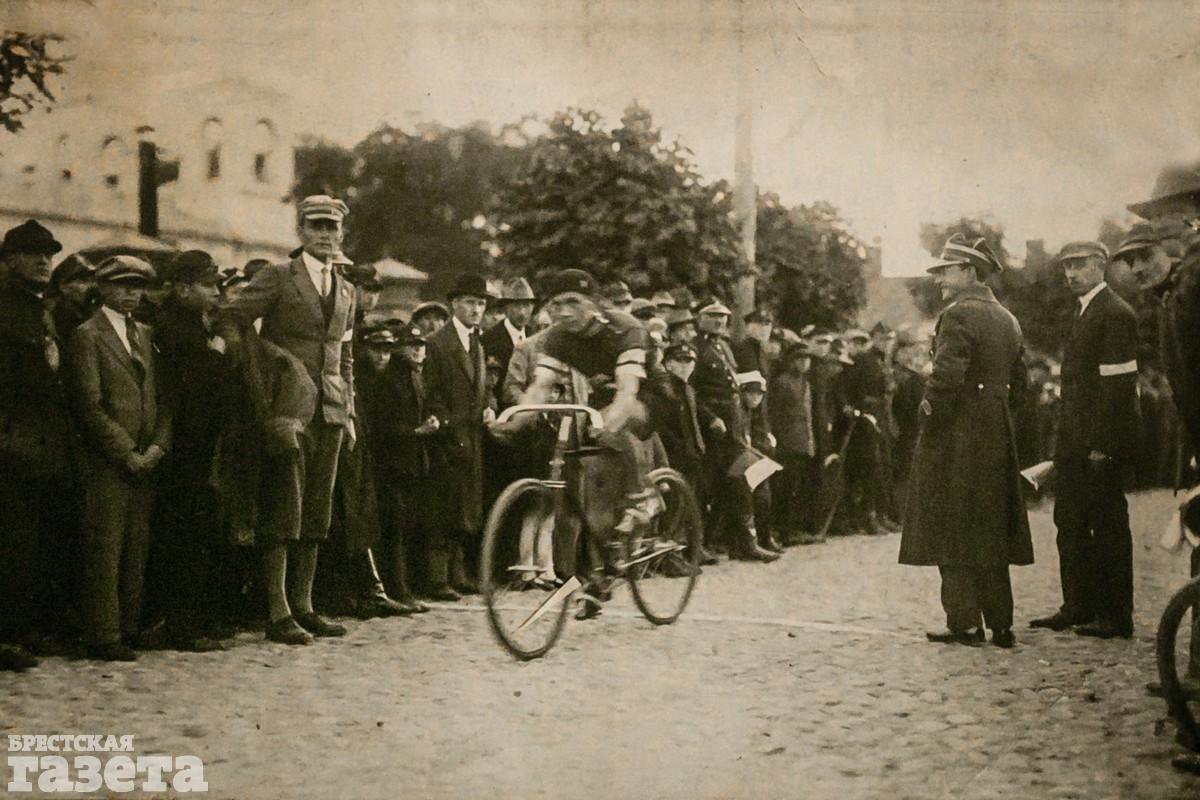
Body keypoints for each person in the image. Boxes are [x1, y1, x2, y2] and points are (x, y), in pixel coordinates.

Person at [216, 194, 358, 646]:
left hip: (330, 409)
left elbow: (344, 354)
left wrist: (349, 411)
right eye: (316, 226)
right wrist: (261, 368)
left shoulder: (347, 289)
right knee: (283, 506)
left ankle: (304, 605)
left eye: (332, 227)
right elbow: (230, 319)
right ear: (300, 231)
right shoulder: (279, 276)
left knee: (317, 510)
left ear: (341, 233)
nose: (325, 235)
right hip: (287, 408)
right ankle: (277, 612)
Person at [492, 268, 662, 619]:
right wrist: (514, 421)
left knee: (615, 426)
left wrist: (608, 423)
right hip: (604, 395)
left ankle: (645, 498)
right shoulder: (556, 338)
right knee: (593, 496)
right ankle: (604, 574)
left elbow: (628, 393)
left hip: (649, 392)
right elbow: (539, 388)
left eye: (573, 302)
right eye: (556, 304)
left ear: (594, 303)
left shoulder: (624, 328)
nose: (564, 312)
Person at [900, 233, 1032, 649]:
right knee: (990, 526)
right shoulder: (1008, 319)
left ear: (970, 272)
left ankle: (964, 623)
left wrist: (928, 418)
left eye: (946, 271)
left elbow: (945, 379)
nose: (939, 279)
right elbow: (1022, 385)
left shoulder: (958, 315)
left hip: (958, 434)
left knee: (952, 525)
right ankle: (1001, 624)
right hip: (996, 432)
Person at [1030, 241, 1140, 639]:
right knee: (1070, 522)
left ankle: (1115, 614)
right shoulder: (1084, 311)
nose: (1071, 274)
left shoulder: (1115, 313)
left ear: (1100, 266)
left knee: (1107, 526)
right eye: (1067, 267)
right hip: (1075, 443)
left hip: (1098, 444)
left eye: (1079, 265)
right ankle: (1077, 605)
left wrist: (1103, 446)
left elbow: (1118, 388)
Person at [67, 255, 172, 661]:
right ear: (103, 287)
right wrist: (126, 451)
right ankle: (103, 632)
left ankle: (129, 627)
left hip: (145, 456)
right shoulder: (87, 335)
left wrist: (157, 447)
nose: (131, 292)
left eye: (138, 285)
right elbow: (89, 405)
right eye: (122, 284)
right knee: (105, 546)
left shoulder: (145, 334)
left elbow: (162, 398)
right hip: (108, 460)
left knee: (135, 546)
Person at [0, 220, 76, 671]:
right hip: (13, 441)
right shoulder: (5, 307)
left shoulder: (40, 308)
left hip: (43, 441)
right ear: (10, 260)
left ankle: (24, 628)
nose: (44, 261)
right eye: (32, 253)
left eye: (48, 254)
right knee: (10, 540)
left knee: (33, 541)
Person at [148, 250, 232, 652]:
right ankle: (182, 625)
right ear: (182, 289)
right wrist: (216, 354)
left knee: (194, 532)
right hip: (184, 446)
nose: (216, 292)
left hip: (195, 442)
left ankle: (190, 620)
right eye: (208, 285)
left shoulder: (190, 323)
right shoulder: (174, 329)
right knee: (184, 534)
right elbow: (193, 390)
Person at [423, 273, 496, 599]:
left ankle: (458, 571)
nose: (476, 309)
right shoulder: (438, 343)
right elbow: (432, 394)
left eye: (481, 303)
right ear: (454, 304)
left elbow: (484, 387)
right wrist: (449, 425)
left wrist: (489, 407)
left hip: (472, 436)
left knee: (466, 506)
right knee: (443, 508)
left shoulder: (477, 343)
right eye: (469, 302)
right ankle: (437, 578)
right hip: (447, 438)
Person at [693, 299, 777, 562]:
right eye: (712, 315)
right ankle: (703, 544)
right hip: (712, 429)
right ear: (700, 318)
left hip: (734, 426)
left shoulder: (724, 348)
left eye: (723, 316)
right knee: (711, 487)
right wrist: (710, 418)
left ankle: (743, 543)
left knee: (740, 481)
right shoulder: (696, 349)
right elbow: (691, 392)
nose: (719, 321)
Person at [369, 324, 437, 609]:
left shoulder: (413, 377)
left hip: (411, 462)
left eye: (420, 345)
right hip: (392, 464)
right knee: (394, 528)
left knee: (406, 526)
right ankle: (398, 589)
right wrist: (417, 431)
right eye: (411, 345)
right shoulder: (389, 380)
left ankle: (404, 587)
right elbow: (382, 426)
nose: (417, 350)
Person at [644, 342, 718, 564]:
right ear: (667, 364)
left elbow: (695, 414)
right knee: (675, 507)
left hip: (691, 452)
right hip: (675, 454)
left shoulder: (687, 388)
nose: (686, 366)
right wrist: (679, 447)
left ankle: (694, 548)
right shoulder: (664, 389)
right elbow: (661, 426)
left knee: (693, 503)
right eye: (680, 361)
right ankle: (671, 557)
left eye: (689, 361)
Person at [770, 340, 819, 543]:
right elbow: (775, 414)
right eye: (800, 358)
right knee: (786, 487)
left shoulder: (806, 383)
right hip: (787, 442)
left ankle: (795, 528)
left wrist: (810, 441)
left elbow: (808, 415)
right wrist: (779, 440)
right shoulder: (782, 382)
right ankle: (785, 531)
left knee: (799, 486)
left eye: (807, 359)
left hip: (803, 441)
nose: (804, 362)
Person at [481, 277, 536, 404]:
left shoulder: (535, 337)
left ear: (532, 307)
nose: (521, 312)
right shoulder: (489, 339)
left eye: (526, 305)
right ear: (505, 308)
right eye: (516, 306)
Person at [49, 253, 99, 339]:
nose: (91, 286)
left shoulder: (87, 309)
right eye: (82, 280)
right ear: (63, 286)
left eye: (92, 280)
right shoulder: (55, 314)